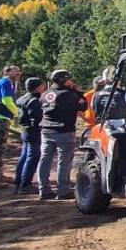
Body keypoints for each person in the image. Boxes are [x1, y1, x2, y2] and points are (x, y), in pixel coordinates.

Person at [36, 69, 87, 200]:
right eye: (69, 79)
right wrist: (77, 92)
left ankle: (44, 190)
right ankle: (63, 191)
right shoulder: (68, 94)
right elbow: (83, 106)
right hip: (64, 131)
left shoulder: (45, 94)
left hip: (46, 130)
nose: (71, 81)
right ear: (64, 81)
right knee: (63, 161)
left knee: (44, 160)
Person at [14, 77, 45, 194]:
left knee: (24, 156)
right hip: (33, 132)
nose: (44, 87)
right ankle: (25, 184)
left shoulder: (22, 99)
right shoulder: (34, 101)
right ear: (37, 88)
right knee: (33, 157)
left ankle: (18, 181)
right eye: (42, 85)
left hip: (25, 130)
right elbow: (36, 118)